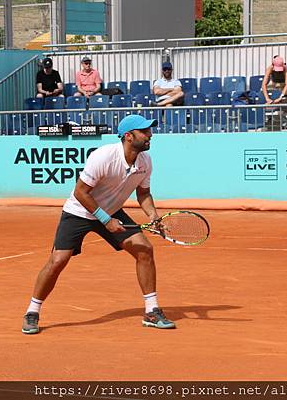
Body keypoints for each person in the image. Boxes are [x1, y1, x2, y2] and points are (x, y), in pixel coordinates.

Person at [21, 114, 176, 334]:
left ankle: (151, 312)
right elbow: (80, 192)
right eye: (145, 131)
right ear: (129, 137)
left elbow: (143, 193)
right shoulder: (103, 157)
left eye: (149, 130)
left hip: (112, 211)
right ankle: (32, 312)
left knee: (144, 250)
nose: (150, 135)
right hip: (79, 212)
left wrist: (153, 216)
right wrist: (105, 220)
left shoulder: (145, 162)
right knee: (58, 261)